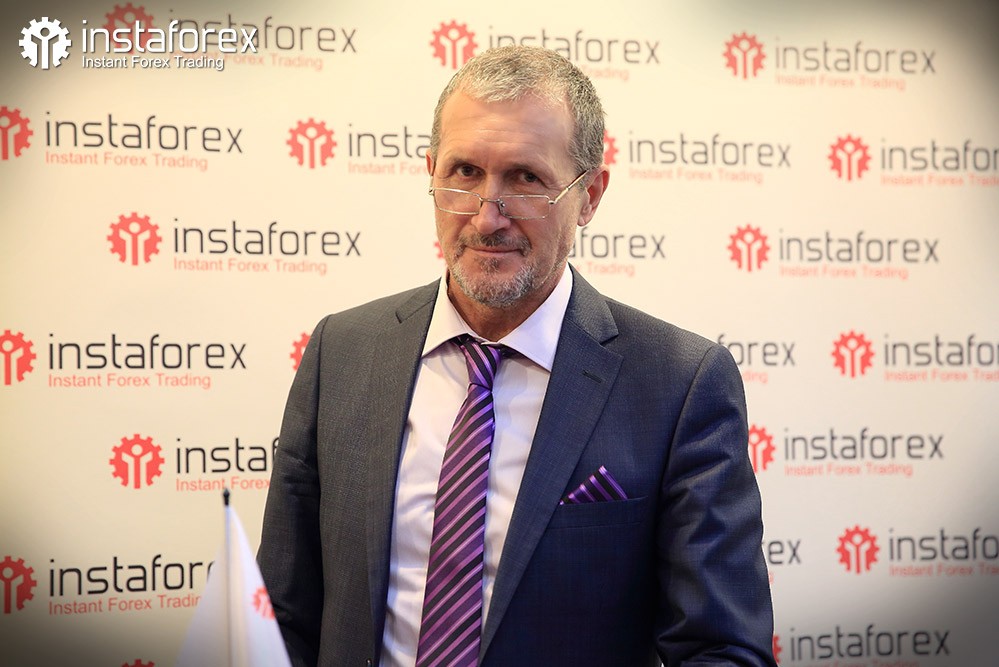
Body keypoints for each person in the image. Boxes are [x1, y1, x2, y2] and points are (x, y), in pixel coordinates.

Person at [258, 45, 776, 667]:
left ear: (590, 196)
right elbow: (281, 618)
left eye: (526, 178)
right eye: (465, 172)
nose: (487, 216)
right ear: (431, 173)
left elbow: (722, 649)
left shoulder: (678, 384)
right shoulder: (341, 353)